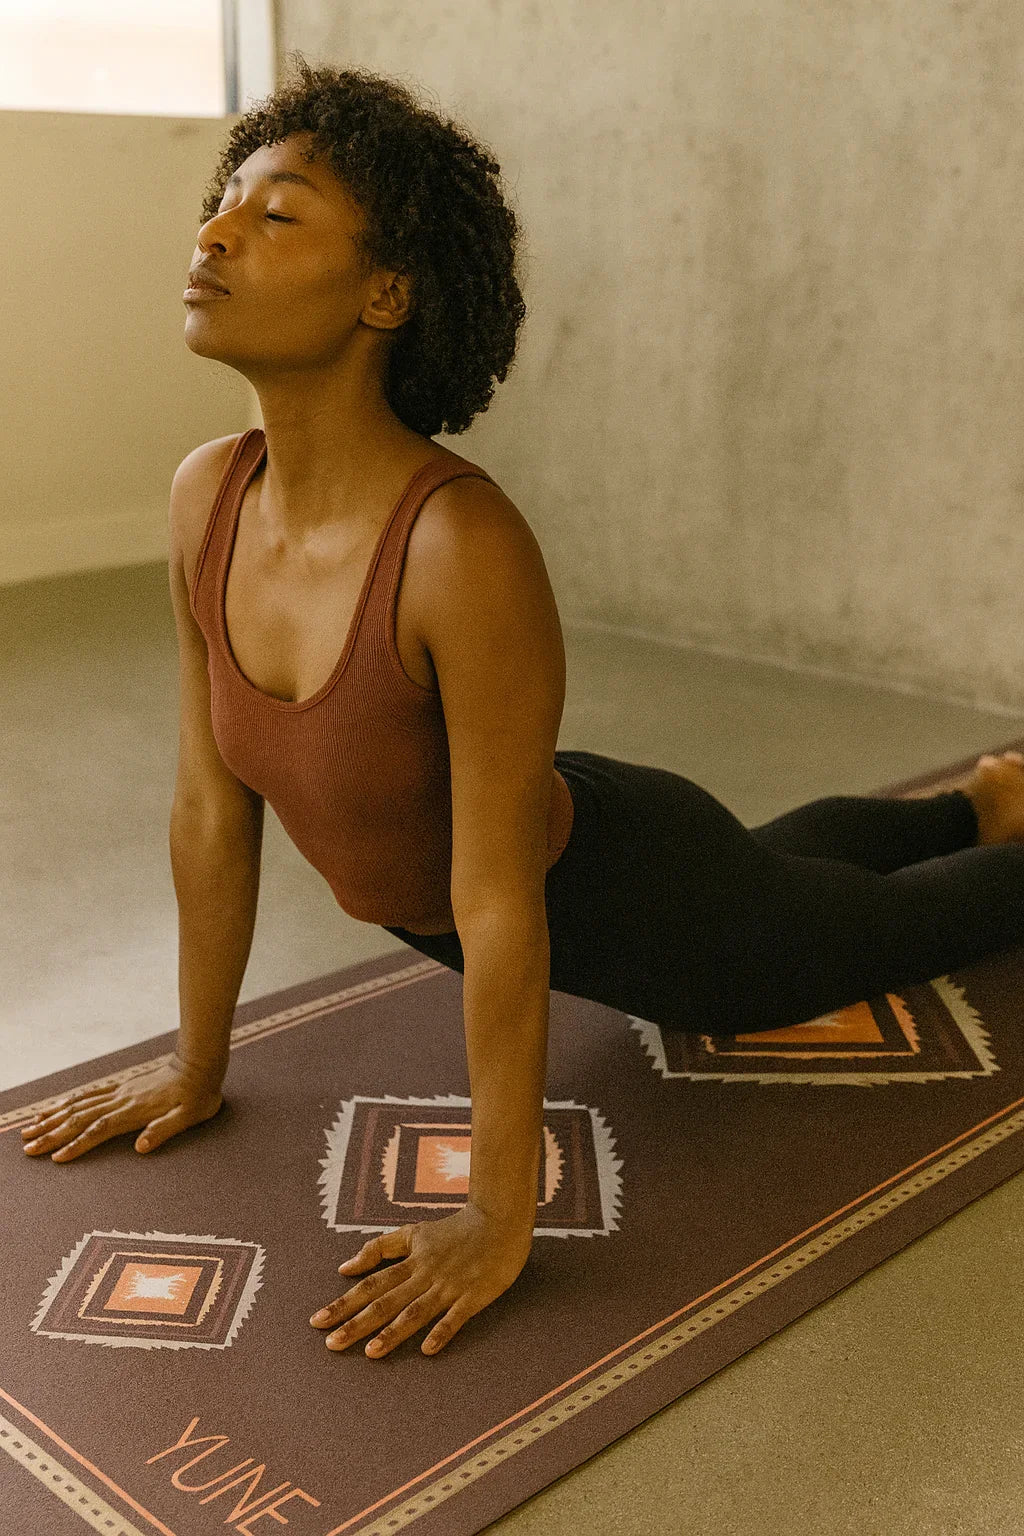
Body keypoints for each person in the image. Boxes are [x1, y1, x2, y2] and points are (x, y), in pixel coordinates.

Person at [21, 56, 1024, 1365]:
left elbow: (498, 904)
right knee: (783, 867)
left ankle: (995, 831)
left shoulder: (458, 545)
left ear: (387, 291)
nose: (214, 231)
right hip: (578, 830)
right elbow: (211, 809)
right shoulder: (205, 495)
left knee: (854, 935)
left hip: (646, 903)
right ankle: (974, 798)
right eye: (224, 201)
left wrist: (500, 1210)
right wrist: (194, 1069)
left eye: (278, 215)